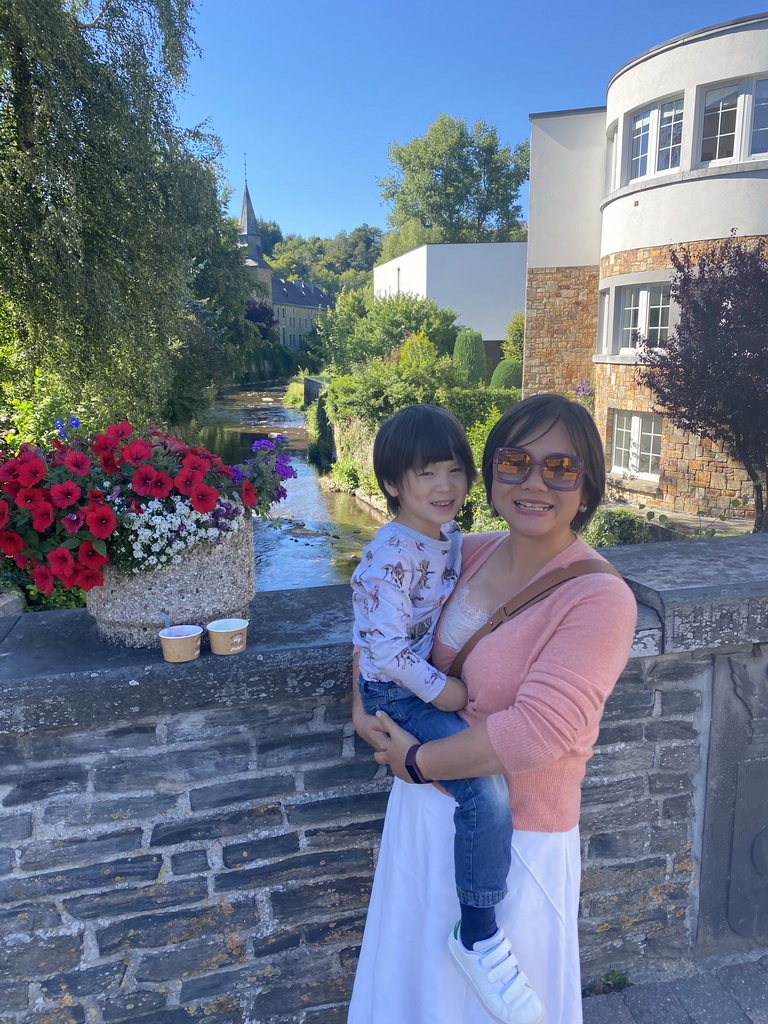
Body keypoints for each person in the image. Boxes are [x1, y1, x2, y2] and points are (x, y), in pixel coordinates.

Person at [348, 393, 638, 1024]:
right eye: (515, 462)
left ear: (586, 485)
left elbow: (539, 732)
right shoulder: (464, 550)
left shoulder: (599, 599)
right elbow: (381, 617)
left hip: (518, 839)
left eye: (560, 468)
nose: (534, 482)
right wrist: (359, 703)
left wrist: (419, 760)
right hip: (424, 819)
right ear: (494, 473)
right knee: (419, 994)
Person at [351, 405, 536, 1023]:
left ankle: (477, 922)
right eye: (426, 474)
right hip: (398, 694)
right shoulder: (388, 554)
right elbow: (378, 646)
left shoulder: (451, 541)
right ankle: (479, 928)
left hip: (410, 686)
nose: (444, 488)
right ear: (393, 485)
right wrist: (441, 692)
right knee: (485, 786)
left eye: (455, 472)